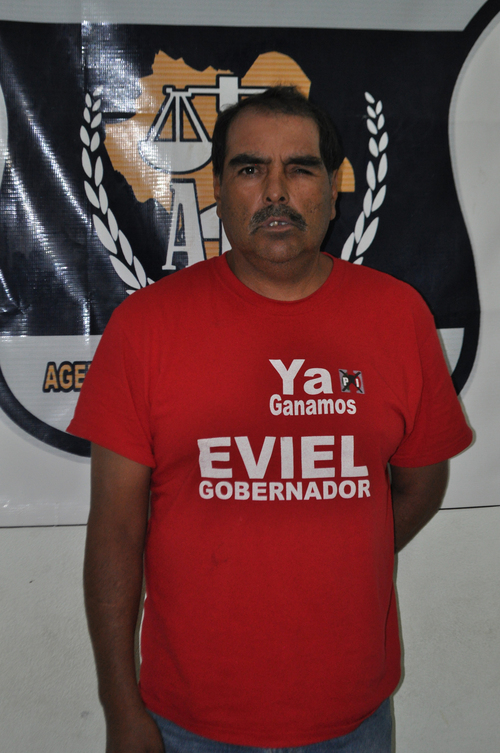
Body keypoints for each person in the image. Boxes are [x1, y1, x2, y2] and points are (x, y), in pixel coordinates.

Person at [68, 86, 473, 753]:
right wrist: (120, 708)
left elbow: (422, 484)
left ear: (334, 192)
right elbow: (114, 534)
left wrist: (339, 549)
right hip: (187, 721)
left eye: (301, 168)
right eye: (251, 169)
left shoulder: (398, 316)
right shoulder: (145, 327)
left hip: (352, 719)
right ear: (219, 190)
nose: (276, 191)